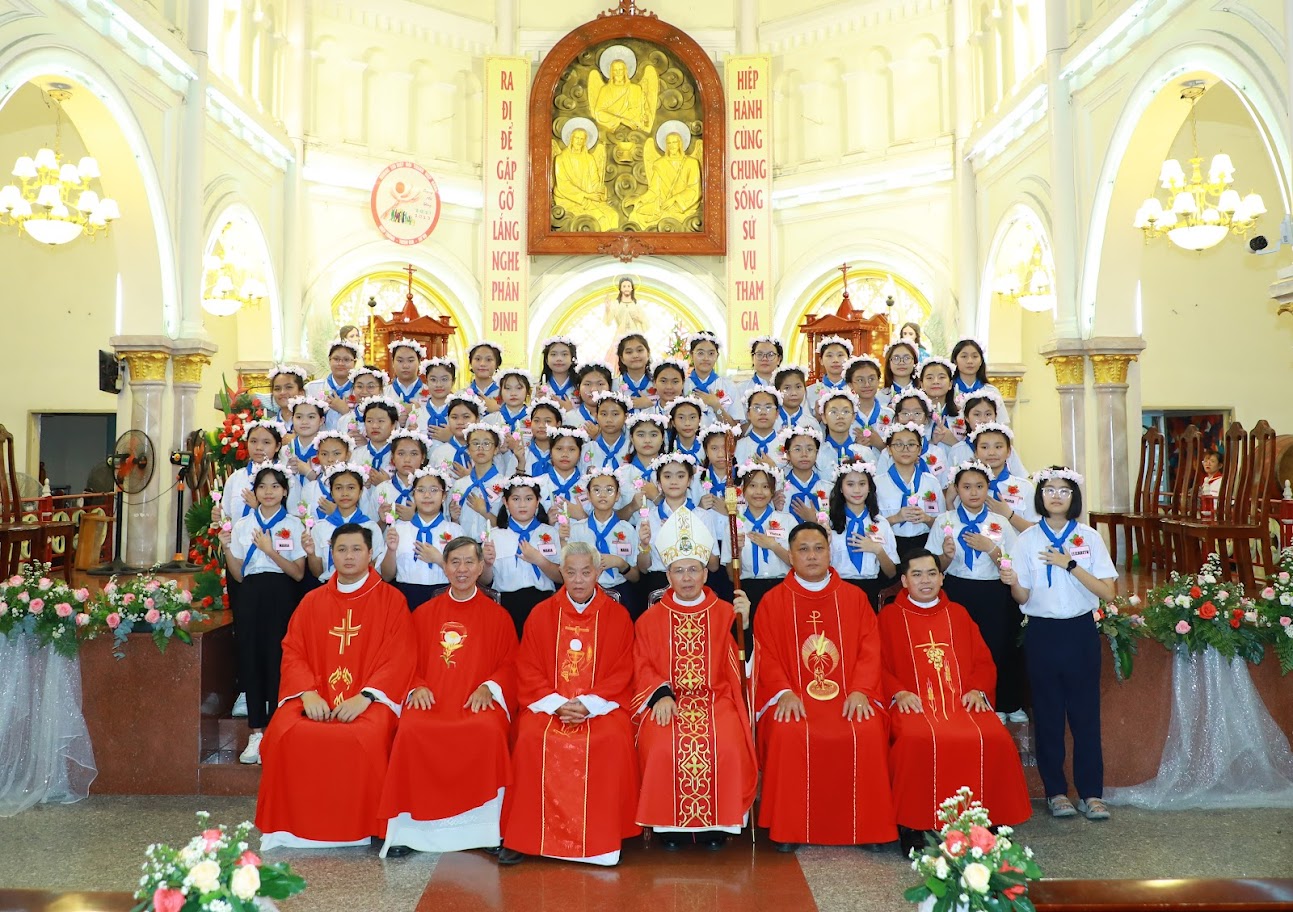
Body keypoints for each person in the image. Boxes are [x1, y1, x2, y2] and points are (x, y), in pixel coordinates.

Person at [255, 524, 416, 850]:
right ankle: (289, 826)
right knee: (283, 730)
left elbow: (400, 656)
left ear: (370, 554)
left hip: (369, 700)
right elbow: (293, 650)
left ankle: (367, 827)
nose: (349, 556)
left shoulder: (391, 601)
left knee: (368, 735)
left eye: (357, 549)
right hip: (316, 696)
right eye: (341, 549)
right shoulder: (312, 601)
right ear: (331, 554)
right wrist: (307, 692)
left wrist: (367, 696)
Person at [753, 521, 898, 851]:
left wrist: (861, 690)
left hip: (849, 694)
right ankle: (790, 828)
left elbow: (870, 648)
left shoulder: (854, 598)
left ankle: (868, 827)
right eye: (803, 549)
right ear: (790, 556)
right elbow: (765, 654)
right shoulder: (773, 601)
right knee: (788, 730)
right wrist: (783, 692)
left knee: (866, 729)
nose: (812, 556)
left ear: (829, 552)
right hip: (793, 695)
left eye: (819, 548)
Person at [878, 550, 1031, 854]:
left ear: (942, 578)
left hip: (960, 700)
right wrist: (898, 692)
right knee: (915, 738)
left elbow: (983, 660)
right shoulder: (890, 617)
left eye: (931, 573)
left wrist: (978, 689)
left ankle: (989, 819)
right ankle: (913, 825)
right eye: (917, 575)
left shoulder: (958, 614)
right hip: (914, 702)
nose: (925, 580)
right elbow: (877, 664)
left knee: (994, 736)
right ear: (904, 581)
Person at [499, 542, 640, 865]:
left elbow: (623, 670)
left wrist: (589, 703)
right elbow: (527, 667)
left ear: (598, 573)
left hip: (600, 707)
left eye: (585, 572)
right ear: (561, 572)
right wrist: (556, 704)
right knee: (530, 738)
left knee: (611, 739)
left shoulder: (617, 616)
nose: (578, 580)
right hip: (550, 705)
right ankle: (525, 836)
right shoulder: (541, 614)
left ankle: (603, 837)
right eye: (571, 572)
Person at [379, 536, 520, 857]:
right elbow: (404, 659)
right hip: (432, 699)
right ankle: (411, 831)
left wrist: (490, 687)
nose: (462, 569)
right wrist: (416, 684)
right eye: (455, 562)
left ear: (481, 567)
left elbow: (511, 663)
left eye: (469, 562)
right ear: (444, 567)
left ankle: (484, 831)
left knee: (488, 729)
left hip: (475, 700)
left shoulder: (498, 617)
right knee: (411, 729)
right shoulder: (423, 614)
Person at [632, 508, 757, 849]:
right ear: (667, 575)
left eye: (693, 570)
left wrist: (744, 627)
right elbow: (641, 664)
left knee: (726, 742)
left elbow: (742, 669)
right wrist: (660, 695)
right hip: (669, 700)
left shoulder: (725, 613)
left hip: (717, 698)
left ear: (705, 573)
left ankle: (718, 825)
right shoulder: (649, 620)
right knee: (661, 745)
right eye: (678, 570)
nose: (686, 578)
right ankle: (668, 827)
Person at [1007, 467, 1118, 822]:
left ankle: (1091, 793)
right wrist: (1011, 581)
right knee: (1048, 716)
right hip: (1042, 633)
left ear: (1074, 497)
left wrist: (1070, 564)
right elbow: (1023, 596)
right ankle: (1055, 791)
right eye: (1049, 490)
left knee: (1086, 716)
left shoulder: (1089, 537)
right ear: (1040, 496)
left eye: (1064, 491)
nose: (1056, 496)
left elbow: (1107, 592)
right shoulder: (1026, 540)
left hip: (1080, 632)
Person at [221, 465, 307, 764]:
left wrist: (270, 551)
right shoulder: (243, 525)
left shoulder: (294, 525)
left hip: (282, 594)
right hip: (250, 594)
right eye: (262, 486)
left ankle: (278, 729)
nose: (268, 492)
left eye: (275, 486)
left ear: (285, 491)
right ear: (255, 492)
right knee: (251, 657)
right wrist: (227, 549)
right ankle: (256, 732)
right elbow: (239, 575)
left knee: (278, 659)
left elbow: (298, 573)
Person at [927, 461, 1024, 723]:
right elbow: (933, 567)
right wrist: (946, 557)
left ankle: (1002, 701)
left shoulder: (999, 522)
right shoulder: (944, 521)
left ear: (987, 488)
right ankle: (961, 699)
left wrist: (991, 548)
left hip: (994, 591)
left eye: (979, 486)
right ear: (957, 489)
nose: (973, 492)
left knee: (997, 646)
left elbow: (1013, 564)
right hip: (957, 589)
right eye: (967, 487)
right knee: (959, 648)